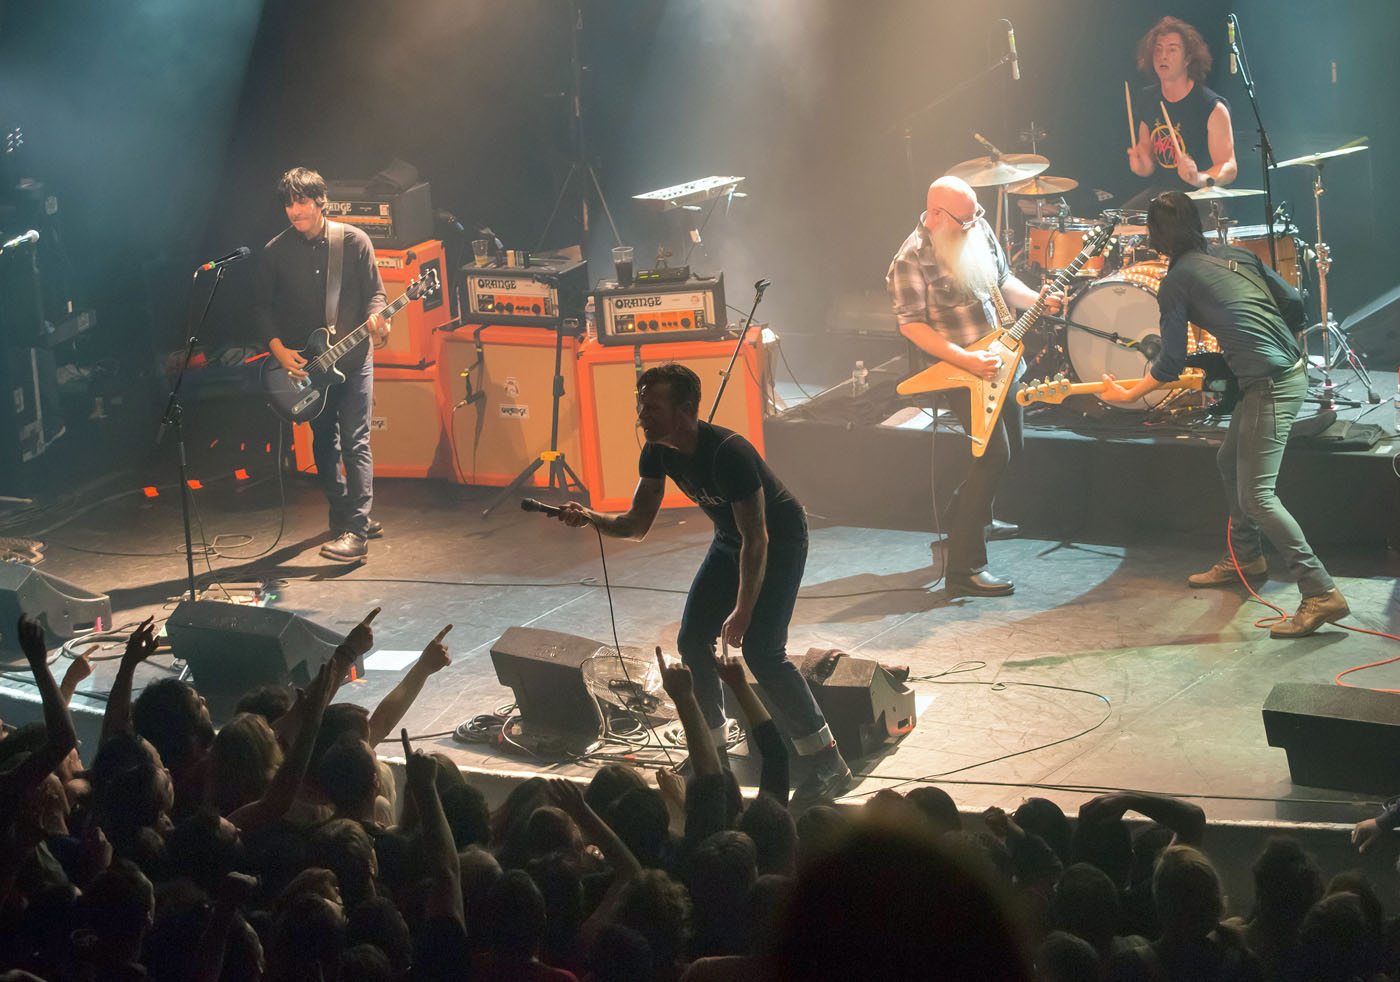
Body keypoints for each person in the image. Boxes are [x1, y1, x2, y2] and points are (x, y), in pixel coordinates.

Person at [553, 363, 853, 801]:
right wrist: (591, 518)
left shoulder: (728, 452)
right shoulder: (657, 451)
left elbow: (758, 537)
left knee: (762, 651)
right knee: (693, 640)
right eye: (641, 404)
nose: (642, 414)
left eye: (653, 406)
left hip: (778, 540)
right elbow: (637, 526)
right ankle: (710, 749)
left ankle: (829, 759)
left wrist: (744, 607)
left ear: (687, 408)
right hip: (732, 540)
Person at [1099, 191, 1348, 638]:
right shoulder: (1236, 254)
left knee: (1258, 496)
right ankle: (1246, 558)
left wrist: (1130, 393)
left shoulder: (1175, 279)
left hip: (1270, 383)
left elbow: (1171, 362)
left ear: (1156, 235)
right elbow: (1294, 301)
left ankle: (1320, 592)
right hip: (1280, 373)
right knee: (1227, 461)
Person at [885, 175, 1063, 597]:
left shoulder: (976, 227)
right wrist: (967, 359)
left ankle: (967, 516)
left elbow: (1003, 282)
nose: (974, 224)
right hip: (962, 372)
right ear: (935, 215)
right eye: (965, 219)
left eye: (975, 215)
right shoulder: (910, 259)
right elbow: (911, 326)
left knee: (1011, 448)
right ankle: (964, 569)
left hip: (1000, 362)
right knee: (992, 456)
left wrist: (1037, 297)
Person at [255, 166, 388, 563]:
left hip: (354, 357)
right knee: (323, 442)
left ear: (321, 201)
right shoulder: (275, 252)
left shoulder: (353, 241)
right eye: (289, 204)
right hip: (310, 365)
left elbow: (376, 295)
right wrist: (278, 350)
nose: (295, 211)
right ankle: (344, 511)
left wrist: (380, 319)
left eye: (302, 202)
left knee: (355, 440)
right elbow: (261, 308)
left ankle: (357, 531)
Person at [1125, 16, 1238, 201]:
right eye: (1158, 50)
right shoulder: (1148, 100)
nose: (1163, 56)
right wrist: (1143, 166)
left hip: (1200, 199)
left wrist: (1199, 178)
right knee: (1118, 226)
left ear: (1187, 59)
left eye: (1172, 49)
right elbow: (1146, 154)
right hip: (1163, 197)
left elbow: (1229, 166)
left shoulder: (1211, 107)